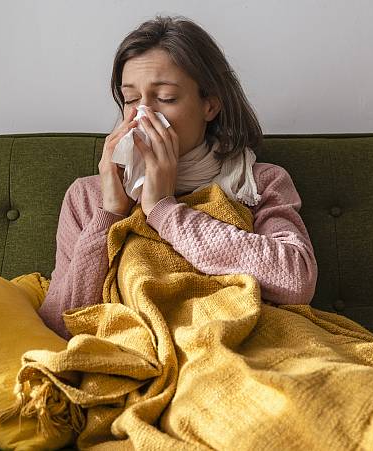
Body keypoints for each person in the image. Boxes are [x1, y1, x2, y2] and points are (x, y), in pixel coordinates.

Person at [38, 15, 318, 339]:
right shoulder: (88, 196)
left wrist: (163, 210)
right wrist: (110, 212)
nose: (143, 114)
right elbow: (59, 324)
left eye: (166, 98)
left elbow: (297, 279)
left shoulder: (257, 183)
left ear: (210, 105)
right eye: (130, 99)